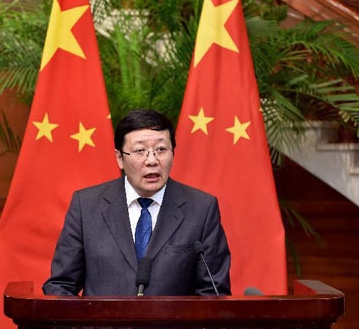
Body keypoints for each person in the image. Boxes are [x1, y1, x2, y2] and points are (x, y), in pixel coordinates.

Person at [42, 109, 231, 296]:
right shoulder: (86, 206)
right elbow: (61, 285)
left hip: (173, 327)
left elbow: (213, 293)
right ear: (120, 158)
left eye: (161, 150)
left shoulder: (201, 209)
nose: (152, 160)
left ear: (173, 153)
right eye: (140, 151)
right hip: (101, 326)